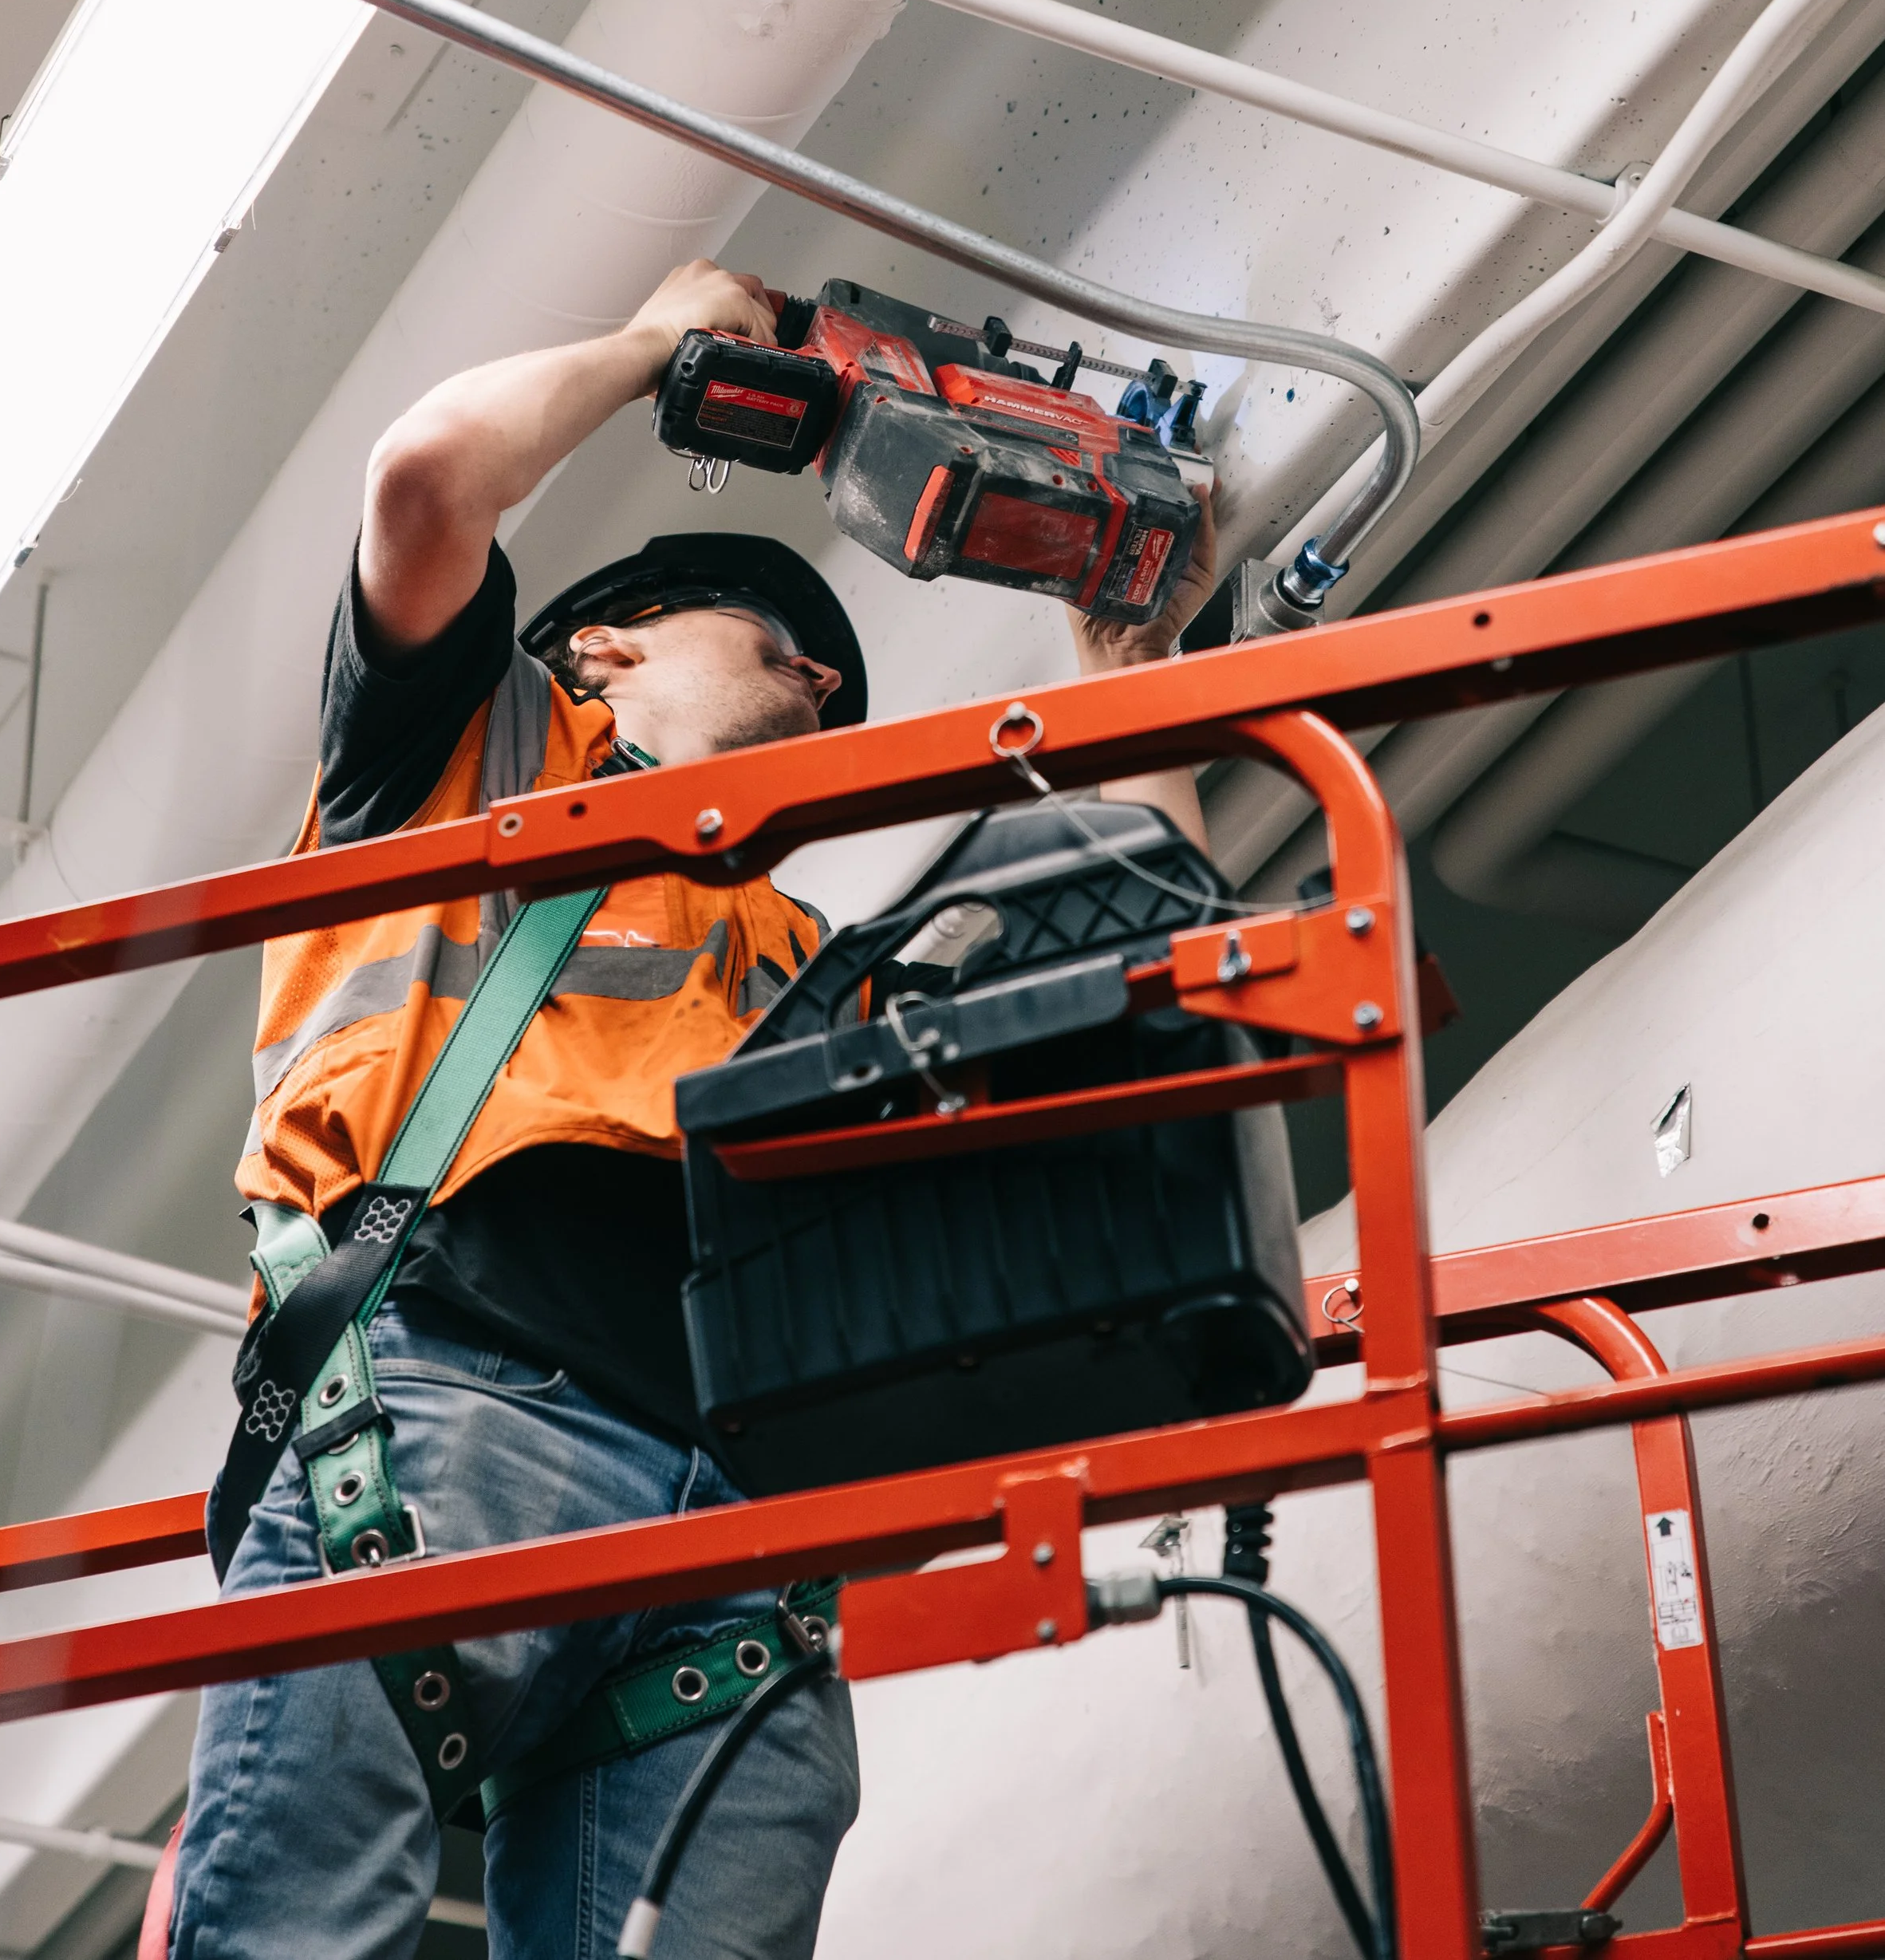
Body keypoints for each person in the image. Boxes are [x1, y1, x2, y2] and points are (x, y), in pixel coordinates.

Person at [168, 259, 1215, 1960]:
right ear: (606, 645)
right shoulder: (473, 761)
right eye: (790, 654)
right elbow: (427, 479)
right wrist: (670, 345)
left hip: (746, 1522)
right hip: (450, 1395)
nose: (820, 696)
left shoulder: (807, 954)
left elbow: (1134, 978)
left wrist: (1133, 669)